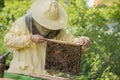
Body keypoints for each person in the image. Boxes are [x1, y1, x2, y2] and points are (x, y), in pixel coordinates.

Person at [4, 0, 90, 75]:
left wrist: (83, 41)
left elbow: (73, 43)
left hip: (43, 75)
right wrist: (30, 39)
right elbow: (8, 41)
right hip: (19, 73)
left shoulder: (59, 31)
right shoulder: (22, 23)